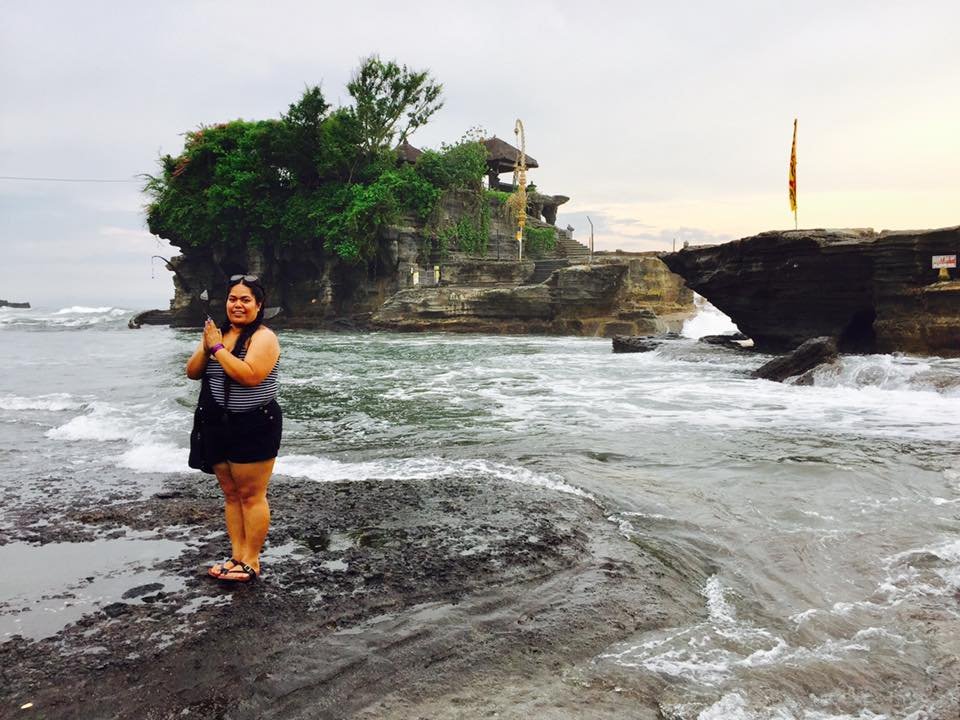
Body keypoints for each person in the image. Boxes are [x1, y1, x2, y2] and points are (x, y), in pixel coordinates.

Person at [186, 275, 281, 583]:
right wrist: (208, 346)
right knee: (231, 494)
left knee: (251, 495)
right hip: (217, 423)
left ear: (259, 305)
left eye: (245, 300)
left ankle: (251, 560)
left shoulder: (263, 338)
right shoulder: (219, 334)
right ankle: (236, 555)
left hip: (255, 423)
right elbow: (192, 372)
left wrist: (217, 347)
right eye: (232, 299)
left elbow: (250, 375)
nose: (237, 305)